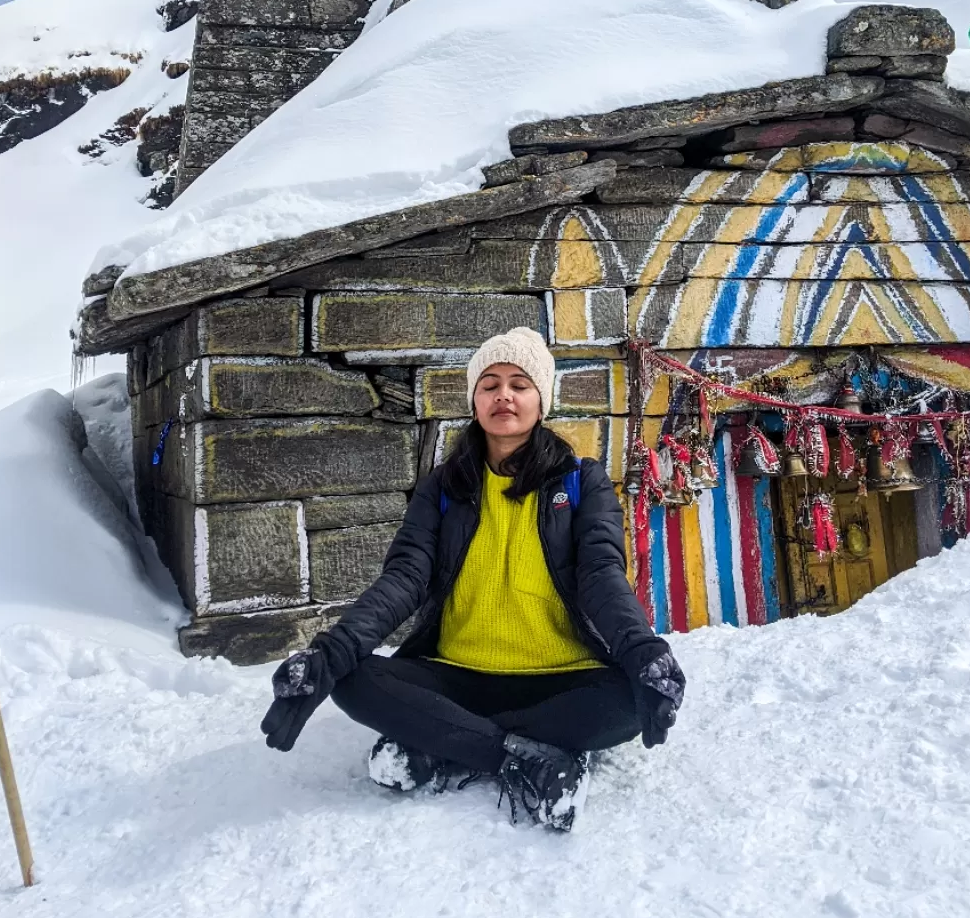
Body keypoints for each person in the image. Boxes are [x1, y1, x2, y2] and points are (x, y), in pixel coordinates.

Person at [261, 327, 686, 832]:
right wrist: (328, 655)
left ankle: (441, 742)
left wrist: (641, 651)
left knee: (626, 702)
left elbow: (601, 573)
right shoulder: (444, 486)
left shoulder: (580, 480)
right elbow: (405, 577)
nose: (503, 395)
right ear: (474, 400)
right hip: (454, 674)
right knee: (351, 677)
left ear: (541, 400)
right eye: (489, 383)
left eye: (519, 383)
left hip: (559, 679)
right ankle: (524, 755)